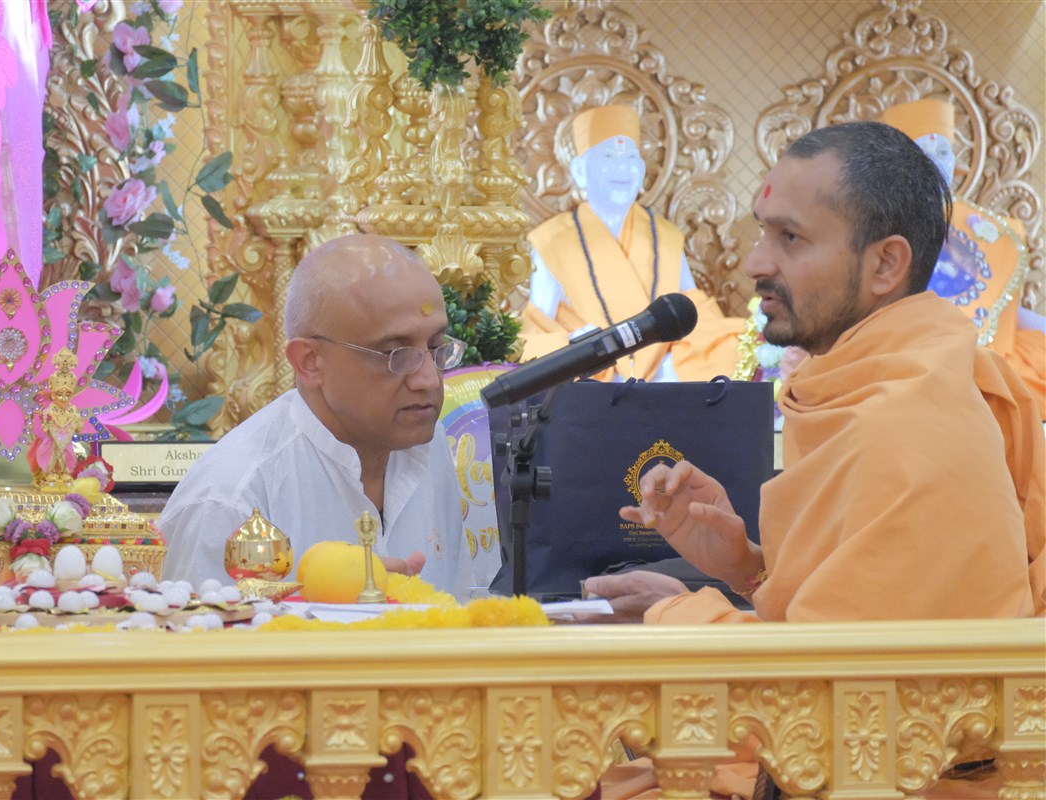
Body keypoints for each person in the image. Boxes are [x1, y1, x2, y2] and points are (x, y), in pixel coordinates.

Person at [584, 120, 1045, 624]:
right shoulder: (893, 378)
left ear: (886, 264)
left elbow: (835, 667)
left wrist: (673, 612)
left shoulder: (911, 427)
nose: (755, 264)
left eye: (790, 237)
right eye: (763, 232)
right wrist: (746, 566)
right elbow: (862, 611)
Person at [159, 234, 470, 597]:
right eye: (395, 354)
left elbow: (463, 610)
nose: (428, 379)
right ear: (309, 362)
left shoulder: (427, 445)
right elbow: (198, 632)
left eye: (436, 347)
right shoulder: (232, 497)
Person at [520, 105, 744, 382]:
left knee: (729, 346)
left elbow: (693, 306)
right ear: (580, 171)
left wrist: (679, 359)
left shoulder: (665, 236)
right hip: (594, 370)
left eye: (631, 156)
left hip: (666, 370)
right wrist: (577, 344)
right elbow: (539, 321)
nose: (622, 167)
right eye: (608, 156)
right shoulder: (553, 240)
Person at [881, 97, 1046, 415]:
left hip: (985, 353)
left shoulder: (979, 227)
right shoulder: (869, 228)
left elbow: (999, 307)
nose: (936, 163)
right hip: (899, 354)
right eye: (925, 152)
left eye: (943, 152)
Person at [32, 348, 84, 489]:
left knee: (68, 452)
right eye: (59, 394)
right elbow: (45, 427)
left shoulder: (72, 410)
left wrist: (77, 423)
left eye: (67, 395)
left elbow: (79, 427)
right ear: (53, 394)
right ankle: (51, 472)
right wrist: (47, 423)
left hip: (66, 440)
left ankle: (65, 472)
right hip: (53, 440)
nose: (63, 398)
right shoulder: (49, 410)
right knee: (51, 451)